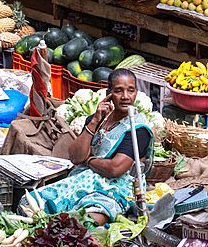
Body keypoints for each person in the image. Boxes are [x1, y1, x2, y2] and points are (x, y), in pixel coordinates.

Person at [25, 69, 153, 224]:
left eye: (130, 91)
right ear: (109, 94)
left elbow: (115, 169)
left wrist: (88, 161)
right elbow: (75, 157)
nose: (126, 96)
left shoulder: (137, 129)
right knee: (30, 204)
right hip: (85, 179)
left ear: (136, 93)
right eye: (119, 91)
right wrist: (93, 123)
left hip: (117, 190)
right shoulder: (99, 118)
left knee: (85, 221)